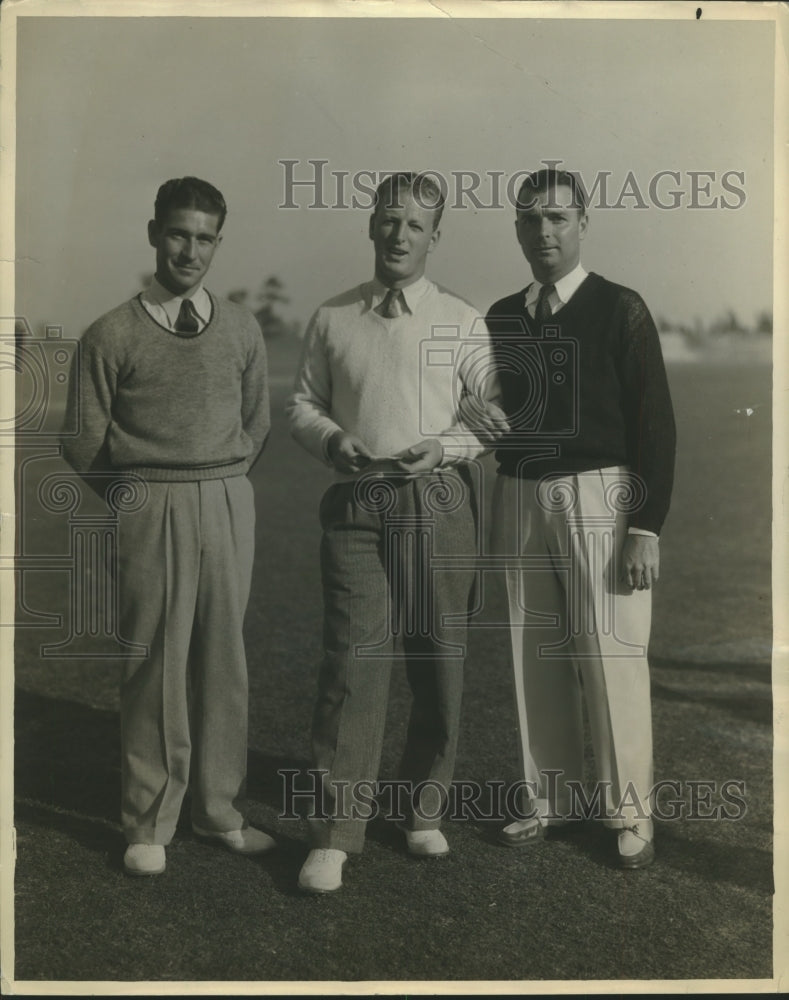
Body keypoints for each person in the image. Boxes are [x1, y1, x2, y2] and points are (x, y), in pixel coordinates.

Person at [287, 171, 506, 893]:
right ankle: (334, 833)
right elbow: (303, 403)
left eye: (415, 225)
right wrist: (331, 441)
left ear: (434, 237)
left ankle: (422, 808)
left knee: (436, 664)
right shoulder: (332, 316)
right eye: (388, 221)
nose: (399, 235)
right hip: (356, 501)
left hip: (437, 500)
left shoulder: (461, 320)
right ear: (370, 226)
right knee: (351, 663)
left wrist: (444, 447)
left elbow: (496, 413)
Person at [62, 177, 274, 876]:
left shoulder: (242, 327)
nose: (190, 250)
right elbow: (84, 439)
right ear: (154, 233)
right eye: (178, 233)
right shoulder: (110, 333)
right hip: (148, 500)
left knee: (224, 660)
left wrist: (223, 480)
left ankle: (216, 810)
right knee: (153, 662)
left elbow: (257, 422)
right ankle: (148, 819)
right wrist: (135, 496)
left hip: (226, 498)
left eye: (204, 237)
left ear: (219, 242)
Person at [486, 167, 676, 868]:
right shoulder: (503, 314)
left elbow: (655, 424)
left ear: (582, 223)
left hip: (602, 495)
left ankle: (630, 814)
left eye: (558, 218)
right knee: (530, 650)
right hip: (518, 495)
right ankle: (551, 798)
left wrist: (645, 526)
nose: (544, 232)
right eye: (531, 220)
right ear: (516, 228)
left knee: (612, 654)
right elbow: (495, 414)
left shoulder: (619, 307)